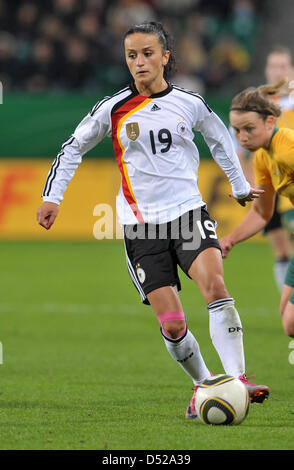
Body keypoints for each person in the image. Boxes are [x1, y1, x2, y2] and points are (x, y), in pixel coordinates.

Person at [37, 21, 269, 418]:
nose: (140, 62)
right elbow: (73, 147)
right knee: (174, 324)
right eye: (131, 56)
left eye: (147, 54)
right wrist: (52, 197)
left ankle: (237, 378)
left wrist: (239, 183)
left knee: (214, 284)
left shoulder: (190, 103)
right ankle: (203, 384)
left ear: (165, 57)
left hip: (187, 213)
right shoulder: (112, 108)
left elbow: (219, 137)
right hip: (141, 226)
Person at [221, 80, 294, 338]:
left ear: (270, 123)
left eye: (249, 129)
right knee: (289, 322)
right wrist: (230, 240)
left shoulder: (287, 148)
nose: (242, 137)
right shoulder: (263, 157)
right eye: (237, 130)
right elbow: (262, 212)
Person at [230, 46, 294, 291]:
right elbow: (238, 148)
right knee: (280, 249)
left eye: (283, 66)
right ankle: (287, 303)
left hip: (290, 179)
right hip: (269, 183)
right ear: (266, 70)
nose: (278, 71)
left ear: (290, 69)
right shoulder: (255, 104)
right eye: (273, 66)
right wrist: (249, 184)